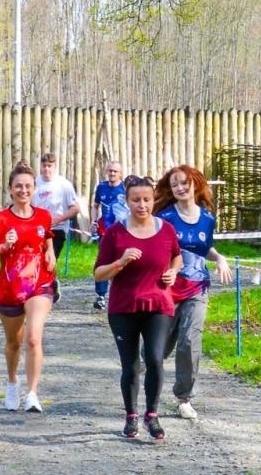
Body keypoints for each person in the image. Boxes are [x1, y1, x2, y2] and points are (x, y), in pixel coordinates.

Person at [95, 175, 181, 440]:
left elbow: (176, 256)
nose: (142, 205)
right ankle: (131, 415)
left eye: (146, 200)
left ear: (154, 200)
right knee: (130, 366)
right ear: (126, 201)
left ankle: (152, 415)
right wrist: (120, 262)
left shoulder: (166, 229)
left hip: (158, 304)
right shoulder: (115, 233)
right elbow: (98, 273)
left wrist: (174, 272)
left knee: (155, 359)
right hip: (124, 307)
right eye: (136, 200)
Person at [0, 162, 57, 413]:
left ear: (34, 188)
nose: (23, 190)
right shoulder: (0, 219)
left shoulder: (43, 215)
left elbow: (46, 238)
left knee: (33, 338)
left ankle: (32, 394)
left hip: (39, 283)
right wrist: (3, 246)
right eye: (18, 186)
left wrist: (50, 253)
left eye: (28, 186)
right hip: (10, 287)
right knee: (14, 342)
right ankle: (12, 382)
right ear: (10, 189)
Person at [156, 164, 232, 421]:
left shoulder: (208, 218)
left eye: (184, 183)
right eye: (174, 184)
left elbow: (204, 248)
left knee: (189, 341)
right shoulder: (165, 218)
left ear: (195, 184)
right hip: (167, 288)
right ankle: (143, 369)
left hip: (197, 286)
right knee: (158, 348)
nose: (180, 188)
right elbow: (158, 250)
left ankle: (184, 398)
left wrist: (219, 258)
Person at [34, 152, 81, 294]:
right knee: (37, 259)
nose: (46, 169)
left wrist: (59, 219)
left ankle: (49, 286)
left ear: (55, 167)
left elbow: (75, 208)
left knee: (49, 258)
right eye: (44, 166)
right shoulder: (35, 183)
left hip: (57, 228)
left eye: (50, 166)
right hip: (38, 229)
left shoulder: (64, 185)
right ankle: (45, 285)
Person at [91, 161, 128, 311]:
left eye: (115, 171)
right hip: (104, 231)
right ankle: (101, 296)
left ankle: (123, 292)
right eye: (110, 171)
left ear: (120, 173)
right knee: (103, 261)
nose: (112, 173)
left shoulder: (125, 189)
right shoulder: (101, 187)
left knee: (121, 261)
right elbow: (95, 206)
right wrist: (93, 221)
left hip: (121, 232)